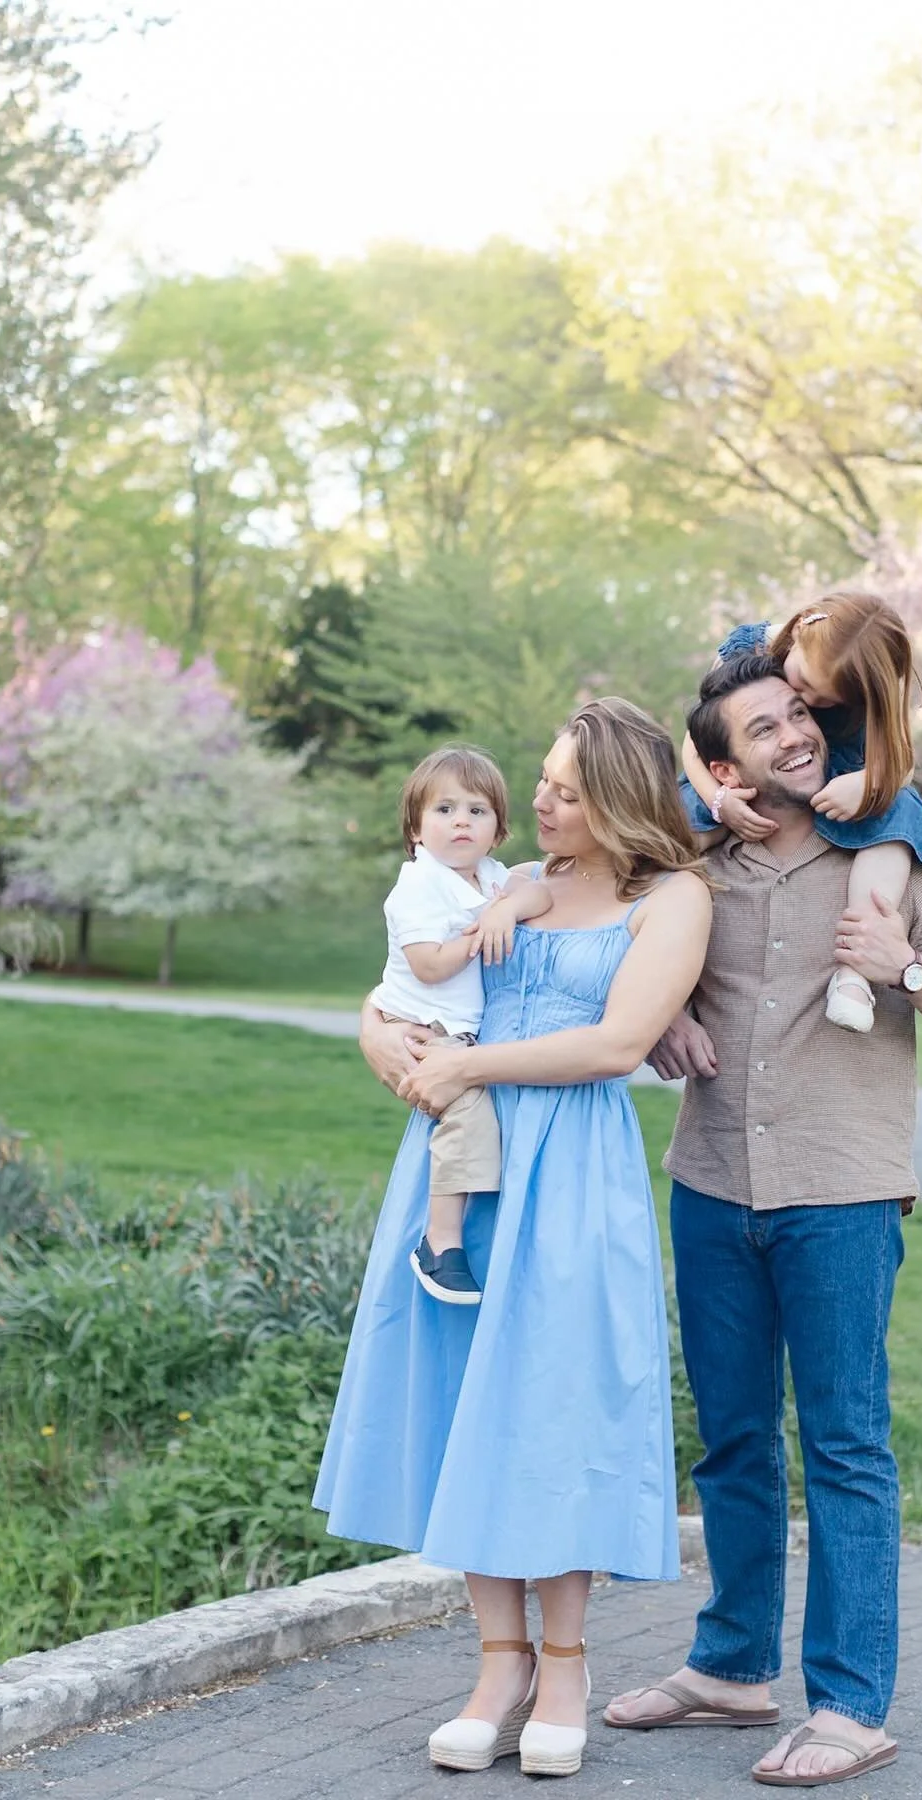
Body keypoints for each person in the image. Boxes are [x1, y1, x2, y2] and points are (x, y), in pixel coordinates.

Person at [607, 653, 922, 1789]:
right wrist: (661, 1019)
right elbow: (601, 913)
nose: (793, 736)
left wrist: (909, 974)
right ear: (724, 765)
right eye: (763, 727)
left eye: (798, 715)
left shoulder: (898, 857)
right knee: (733, 1442)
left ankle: (848, 1704)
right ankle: (732, 1667)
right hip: (712, 1184)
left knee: (844, 1446)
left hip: (841, 1192)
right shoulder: (691, 868)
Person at [315, 697, 714, 1781]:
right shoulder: (499, 881)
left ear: (621, 802)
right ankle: (499, 1665)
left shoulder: (669, 898)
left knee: (556, 1403)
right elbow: (402, 985)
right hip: (464, 1160)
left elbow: (619, 1041)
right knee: (466, 1403)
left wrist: (467, 1067)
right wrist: (379, 1039)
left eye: (565, 791)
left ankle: (569, 1664)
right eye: (541, 780)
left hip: (571, 1172)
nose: (536, 801)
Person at [680, 591, 922, 1034]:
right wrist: (718, 800)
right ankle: (661, 969)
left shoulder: (866, 687)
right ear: (797, 632)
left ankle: (855, 968)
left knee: (897, 812)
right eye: (805, 682)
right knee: (676, 832)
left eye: (826, 700)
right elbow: (696, 740)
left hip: (835, 776)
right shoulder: (749, 647)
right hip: (730, 777)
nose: (808, 699)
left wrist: (871, 782)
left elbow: (901, 760)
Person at [365, 744, 551, 1305]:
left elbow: (537, 890)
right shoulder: (421, 886)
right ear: (417, 829)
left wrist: (504, 908)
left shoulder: (487, 877)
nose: (461, 822)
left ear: (497, 830)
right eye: (444, 810)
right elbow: (428, 964)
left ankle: (450, 1232)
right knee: (467, 1117)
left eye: (477, 810)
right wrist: (477, 935)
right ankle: (439, 1242)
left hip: (457, 1029)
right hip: (420, 1025)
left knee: (473, 1118)